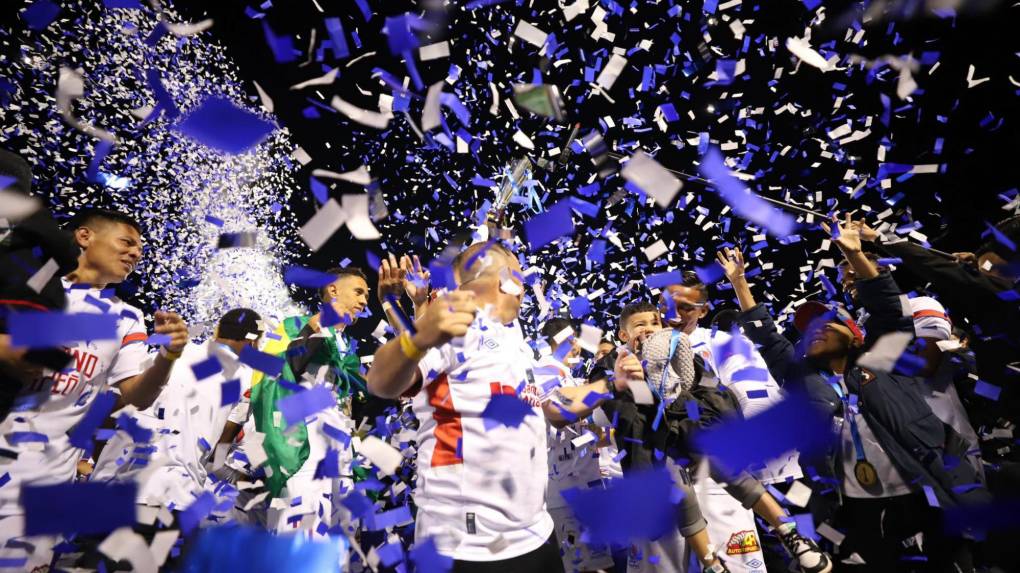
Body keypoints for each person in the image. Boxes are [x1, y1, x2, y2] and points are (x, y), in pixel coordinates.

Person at [725, 215, 989, 571]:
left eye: (825, 324)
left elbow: (888, 311)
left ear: (854, 334)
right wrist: (740, 284)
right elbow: (768, 339)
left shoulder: (883, 359)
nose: (814, 332)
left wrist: (854, 255)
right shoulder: (803, 377)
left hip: (921, 486)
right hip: (857, 503)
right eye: (807, 330)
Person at [366, 240, 620, 572]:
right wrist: (417, 335)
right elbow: (381, 383)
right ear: (508, 279)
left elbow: (552, 410)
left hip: (534, 534)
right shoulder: (457, 322)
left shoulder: (512, 336)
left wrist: (612, 384)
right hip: (468, 548)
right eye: (519, 274)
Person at [0, 207, 189, 569]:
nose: (136, 254)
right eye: (127, 242)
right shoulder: (27, 282)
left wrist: (169, 355)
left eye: (140, 249)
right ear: (85, 237)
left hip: (46, 481)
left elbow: (138, 394)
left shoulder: (127, 317)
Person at [591, 302, 830, 573]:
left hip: (701, 459)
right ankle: (712, 564)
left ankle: (791, 534)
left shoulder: (684, 353)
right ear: (623, 335)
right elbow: (608, 416)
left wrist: (679, 401)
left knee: (729, 469)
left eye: (654, 323)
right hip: (655, 465)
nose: (649, 329)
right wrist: (632, 385)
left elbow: (716, 399)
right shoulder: (611, 365)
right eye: (639, 325)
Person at [78, 309, 262, 569]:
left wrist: (100, 462)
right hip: (174, 498)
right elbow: (217, 458)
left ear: (218, 330)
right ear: (254, 341)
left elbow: (111, 408)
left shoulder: (163, 356)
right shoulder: (241, 378)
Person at [660, 271, 804, 573]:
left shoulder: (723, 344)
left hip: (718, 481)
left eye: (686, 307)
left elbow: (756, 395)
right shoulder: (644, 347)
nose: (674, 314)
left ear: (704, 310)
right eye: (667, 304)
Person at [247, 266, 371, 538]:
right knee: (302, 539)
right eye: (359, 292)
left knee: (339, 544)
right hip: (304, 454)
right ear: (333, 290)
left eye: (367, 295)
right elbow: (282, 368)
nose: (364, 301)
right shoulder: (292, 326)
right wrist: (320, 323)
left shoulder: (346, 345)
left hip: (339, 456)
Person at [537, 317, 615, 573]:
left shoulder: (565, 374)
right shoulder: (546, 369)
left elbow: (579, 433)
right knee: (583, 567)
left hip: (583, 483)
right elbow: (559, 414)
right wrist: (607, 389)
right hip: (566, 490)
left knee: (595, 565)